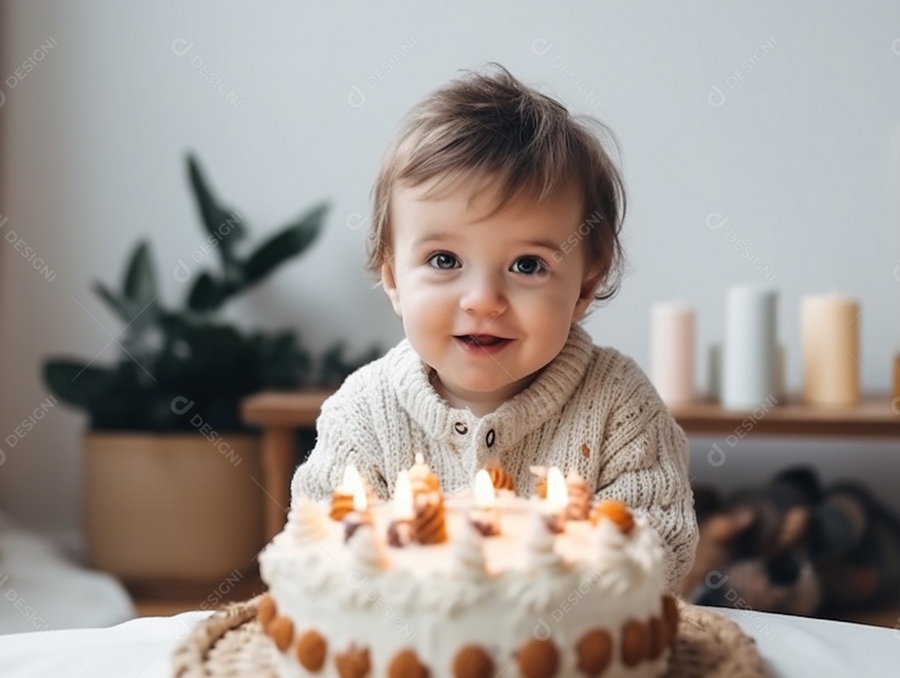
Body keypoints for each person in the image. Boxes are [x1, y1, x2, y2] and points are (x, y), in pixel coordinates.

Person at [291, 64, 697, 588]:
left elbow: (661, 544)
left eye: (528, 265)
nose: (483, 301)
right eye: (443, 260)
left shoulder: (619, 406)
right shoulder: (364, 414)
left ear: (583, 287)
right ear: (393, 278)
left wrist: (540, 585)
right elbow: (319, 546)